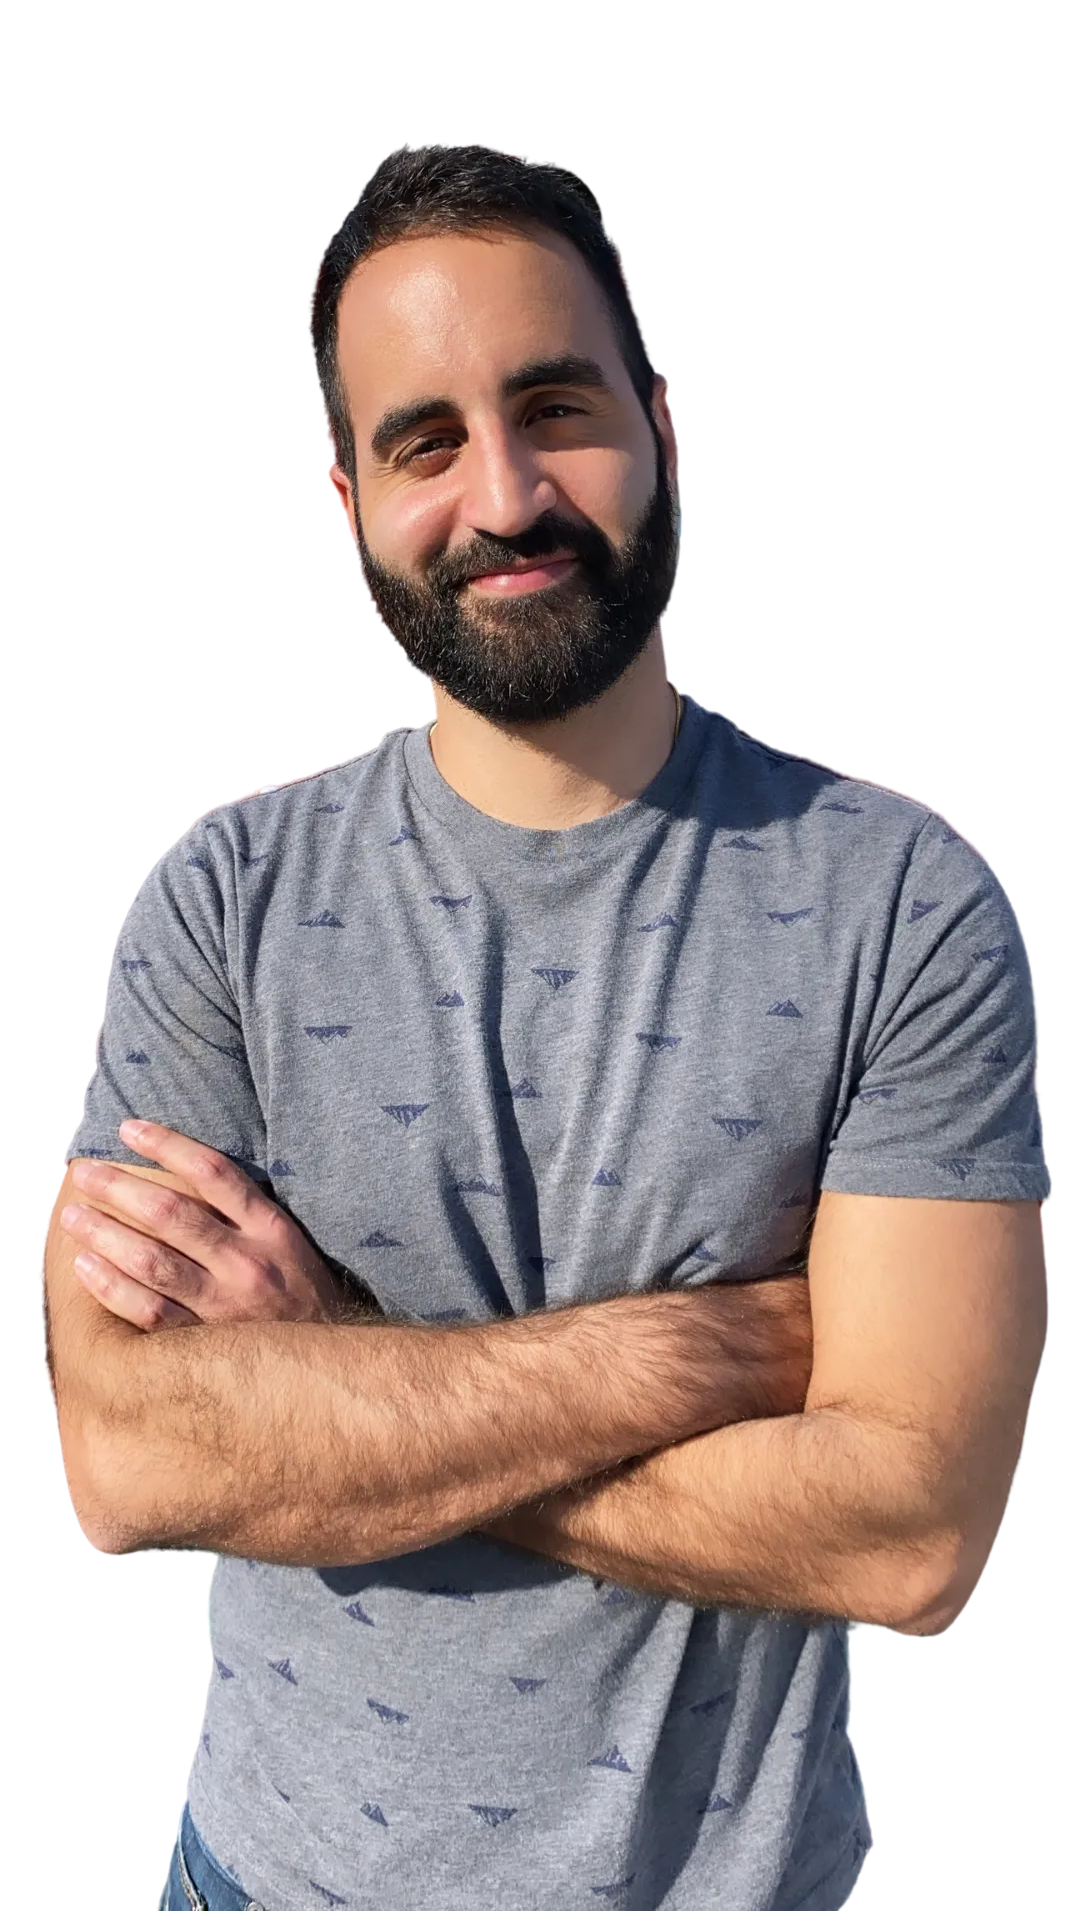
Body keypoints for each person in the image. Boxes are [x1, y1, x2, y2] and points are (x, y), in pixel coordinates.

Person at [63, 143, 1049, 1911]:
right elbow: (130, 1462)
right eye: (424, 441)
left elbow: (912, 1537)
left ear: (663, 429)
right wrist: (719, 1354)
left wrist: (330, 1380)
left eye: (555, 408)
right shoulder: (220, 900)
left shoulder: (903, 899)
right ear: (349, 499)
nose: (505, 494)